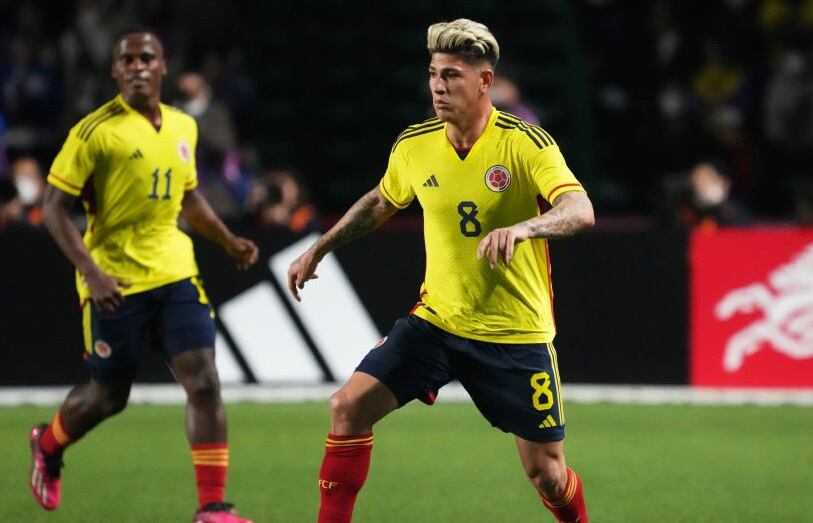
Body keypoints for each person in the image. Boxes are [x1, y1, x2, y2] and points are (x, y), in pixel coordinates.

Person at [288, 18, 594, 523]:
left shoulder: (524, 143)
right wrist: (319, 247)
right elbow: (381, 203)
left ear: (485, 82)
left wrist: (525, 229)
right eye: (433, 73)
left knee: (547, 474)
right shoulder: (415, 144)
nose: (437, 85)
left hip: (514, 334)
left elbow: (580, 210)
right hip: (438, 321)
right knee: (347, 408)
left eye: (451, 74)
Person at [30, 29, 258, 523]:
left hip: (175, 272)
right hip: (114, 282)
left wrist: (227, 241)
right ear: (115, 71)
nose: (137, 65)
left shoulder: (182, 125)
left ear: (162, 67)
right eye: (127, 59)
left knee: (204, 381)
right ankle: (48, 445)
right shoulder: (94, 132)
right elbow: (52, 209)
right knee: (108, 396)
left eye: (146, 57)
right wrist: (91, 273)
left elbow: (190, 197)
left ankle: (212, 507)